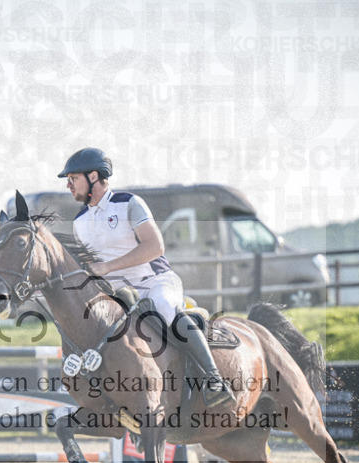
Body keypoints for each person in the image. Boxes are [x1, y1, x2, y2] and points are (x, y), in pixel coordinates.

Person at [57, 147, 234, 409]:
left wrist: (108, 267)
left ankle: (213, 379)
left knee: (164, 308)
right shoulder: (79, 222)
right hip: (119, 295)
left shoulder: (129, 203)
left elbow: (155, 247)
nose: (69, 185)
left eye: (73, 178)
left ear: (93, 176)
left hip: (155, 282)